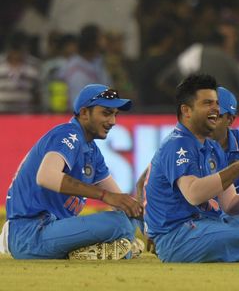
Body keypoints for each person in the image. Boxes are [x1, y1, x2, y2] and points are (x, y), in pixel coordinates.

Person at [142, 74, 239, 263]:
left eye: (216, 103)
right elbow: (193, 194)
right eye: (207, 103)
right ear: (186, 111)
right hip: (178, 237)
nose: (215, 108)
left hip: (207, 226)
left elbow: (230, 204)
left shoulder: (212, 147)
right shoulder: (177, 144)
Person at [4, 84, 142, 259]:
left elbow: (122, 201)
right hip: (31, 233)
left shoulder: (91, 150)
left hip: (50, 232)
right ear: (84, 113)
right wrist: (103, 195)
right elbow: (46, 177)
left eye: (115, 114)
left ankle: (92, 250)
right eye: (106, 113)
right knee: (120, 225)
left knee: (127, 219)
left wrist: (158, 229)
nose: (113, 122)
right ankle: (99, 248)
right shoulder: (67, 134)